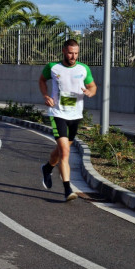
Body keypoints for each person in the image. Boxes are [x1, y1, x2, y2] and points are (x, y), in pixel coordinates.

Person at [39, 39, 97, 201]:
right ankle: (67, 189)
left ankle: (47, 167)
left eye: (76, 53)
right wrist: (45, 95)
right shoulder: (53, 67)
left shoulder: (83, 69)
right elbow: (42, 81)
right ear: (64, 51)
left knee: (60, 150)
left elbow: (93, 86)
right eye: (70, 53)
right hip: (58, 114)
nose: (73, 56)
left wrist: (90, 92)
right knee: (65, 152)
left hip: (75, 115)